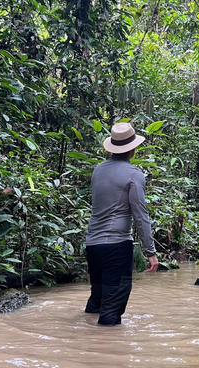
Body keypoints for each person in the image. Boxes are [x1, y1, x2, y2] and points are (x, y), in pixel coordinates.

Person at [84, 122, 158, 325]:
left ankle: (83, 340)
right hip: (116, 248)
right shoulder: (134, 175)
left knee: (96, 302)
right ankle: (106, 354)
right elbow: (140, 215)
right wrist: (150, 252)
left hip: (93, 246)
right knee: (111, 310)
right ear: (132, 148)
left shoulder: (98, 170)